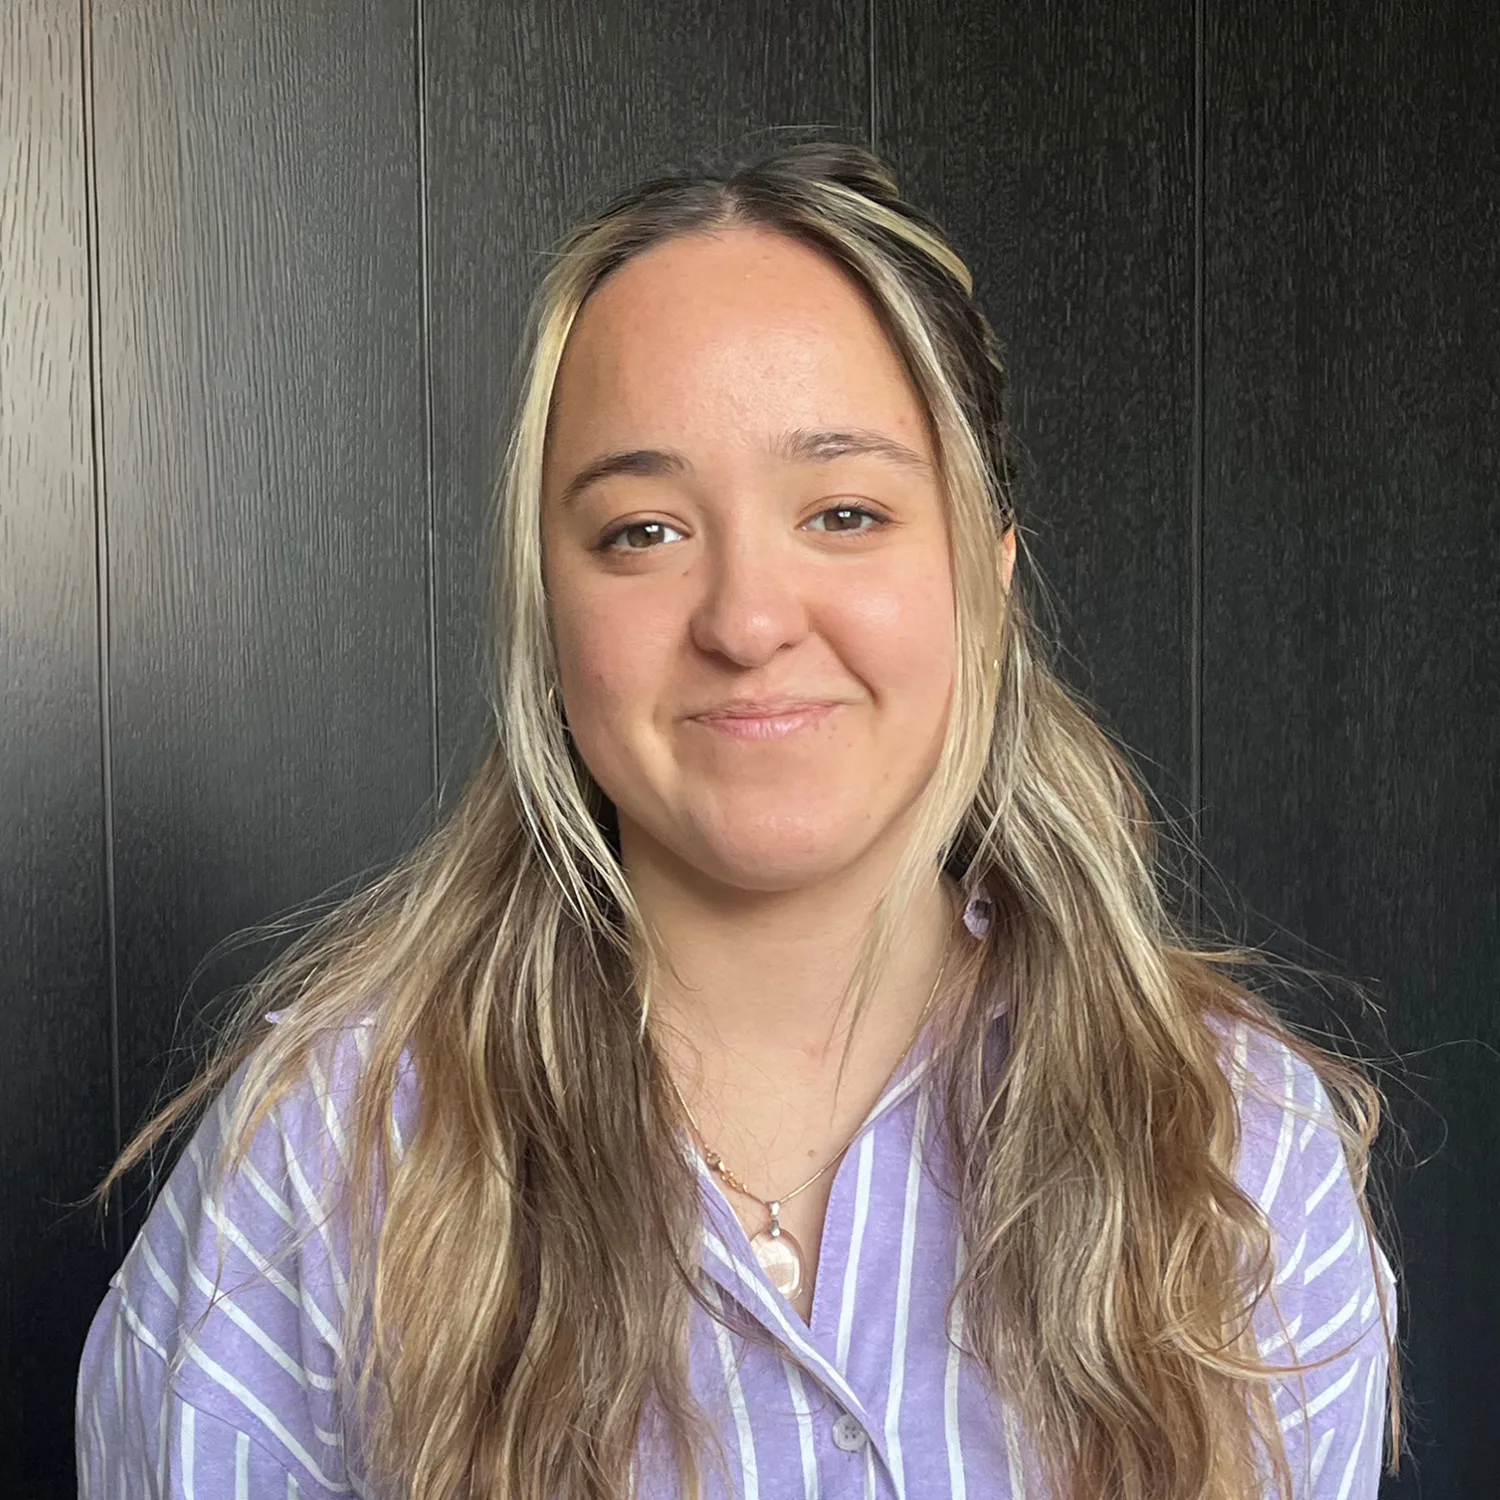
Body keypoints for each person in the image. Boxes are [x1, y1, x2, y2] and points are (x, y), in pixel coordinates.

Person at [76, 140, 1401, 1500]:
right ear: (550, 615)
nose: (748, 620)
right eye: (643, 532)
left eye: (843, 510)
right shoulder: (321, 1162)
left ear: (987, 584)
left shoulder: (1235, 1147)